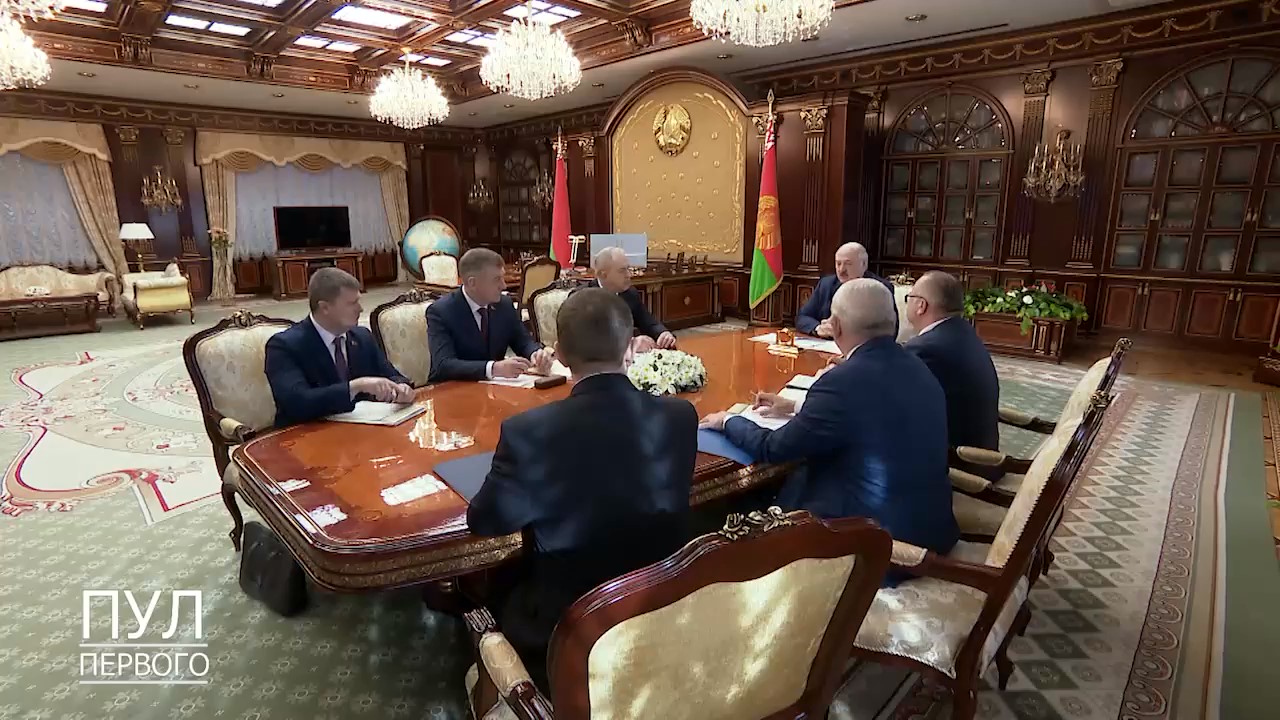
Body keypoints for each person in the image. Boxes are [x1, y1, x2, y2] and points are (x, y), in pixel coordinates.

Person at [467, 287, 698, 687]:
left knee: (494, 585)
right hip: (662, 599)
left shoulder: (527, 432)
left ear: (559, 353)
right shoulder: (680, 414)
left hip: (570, 626)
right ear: (630, 348)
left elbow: (485, 520)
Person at [700, 278, 958, 570]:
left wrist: (729, 420)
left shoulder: (841, 382)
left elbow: (774, 448)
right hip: (932, 529)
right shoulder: (919, 366)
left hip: (876, 547)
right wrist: (797, 406)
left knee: (752, 505)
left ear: (835, 326)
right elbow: (868, 414)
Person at [265, 267, 414, 427]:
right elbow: (297, 403)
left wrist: (402, 388)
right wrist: (355, 387)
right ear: (325, 308)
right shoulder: (284, 346)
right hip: (305, 435)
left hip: (362, 432)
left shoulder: (362, 337)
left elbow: (392, 376)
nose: (360, 308)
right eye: (352, 303)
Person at [904, 271, 1000, 454]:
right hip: (982, 449)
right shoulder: (963, 332)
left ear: (921, 305)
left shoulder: (925, 349)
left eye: (909, 297)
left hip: (957, 458)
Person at [426, 248, 554, 382]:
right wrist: (493, 368)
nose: (503, 286)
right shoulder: (441, 312)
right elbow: (443, 365)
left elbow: (523, 342)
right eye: (496, 279)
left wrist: (535, 354)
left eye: (503, 278)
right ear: (472, 283)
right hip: (453, 389)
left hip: (495, 388)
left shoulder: (504, 305)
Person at [796, 242, 897, 338]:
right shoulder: (826, 284)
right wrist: (818, 328)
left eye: (848, 264)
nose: (841, 270)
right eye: (838, 263)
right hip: (826, 345)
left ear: (864, 265)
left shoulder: (880, 288)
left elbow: (890, 329)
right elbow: (802, 317)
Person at [589, 246, 677, 352]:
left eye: (628, 269)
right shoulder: (582, 299)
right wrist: (631, 344)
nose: (629, 275)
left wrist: (663, 333)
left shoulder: (630, 293)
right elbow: (588, 340)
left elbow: (648, 321)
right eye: (622, 270)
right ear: (603, 274)